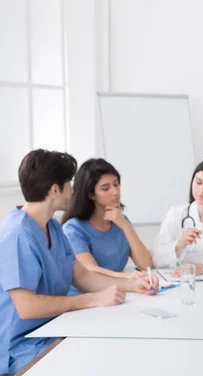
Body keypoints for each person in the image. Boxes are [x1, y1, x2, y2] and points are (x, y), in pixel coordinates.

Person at [0, 150, 158, 375]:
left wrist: (133, 286)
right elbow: (27, 307)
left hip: (54, 330)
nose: (73, 190)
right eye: (68, 184)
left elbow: (82, 275)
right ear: (55, 190)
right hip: (20, 347)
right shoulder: (16, 234)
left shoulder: (52, 226)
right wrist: (91, 300)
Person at [62, 158, 152, 286]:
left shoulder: (121, 221)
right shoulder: (73, 229)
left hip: (117, 293)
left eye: (116, 184)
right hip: (88, 299)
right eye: (106, 188)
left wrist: (125, 226)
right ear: (91, 194)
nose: (115, 192)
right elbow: (90, 272)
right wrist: (127, 277)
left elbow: (145, 264)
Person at [152, 159, 203, 274]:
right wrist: (179, 244)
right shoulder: (176, 214)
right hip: (186, 285)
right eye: (198, 183)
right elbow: (155, 258)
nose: (202, 190)